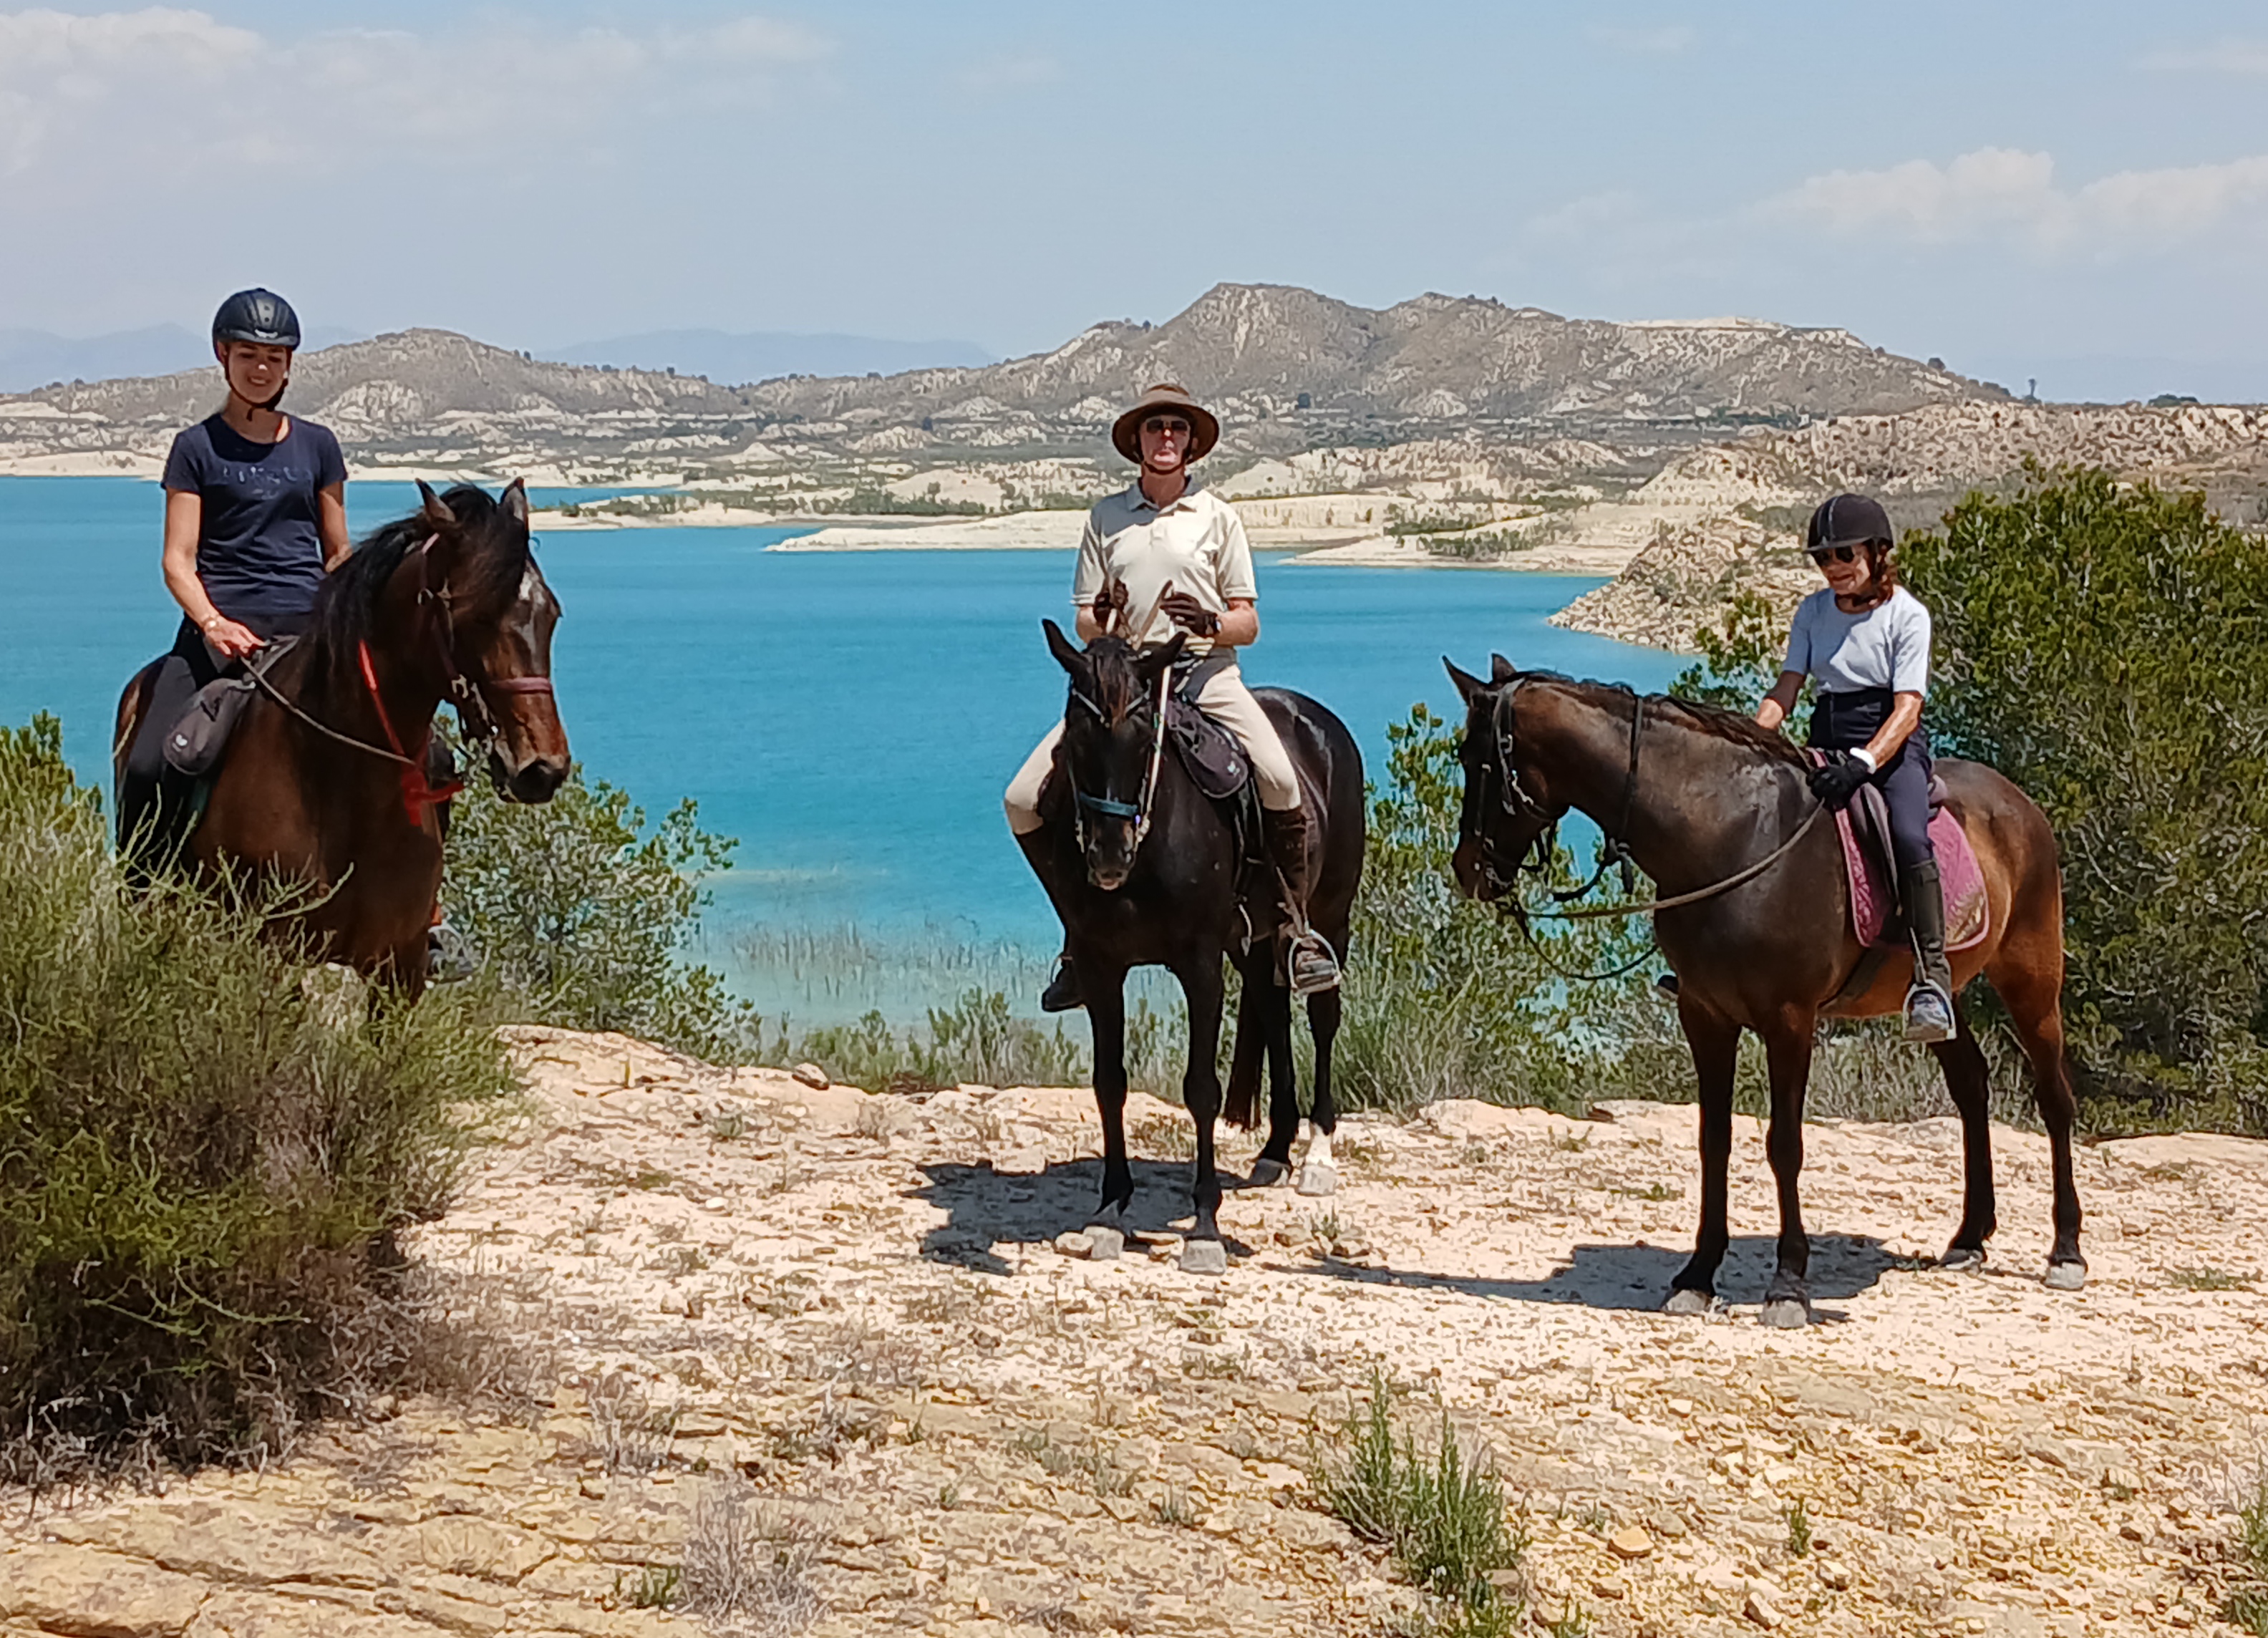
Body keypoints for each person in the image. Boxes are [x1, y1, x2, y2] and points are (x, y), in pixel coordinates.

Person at [1004, 383, 1341, 1004]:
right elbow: (1084, 620)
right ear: (1138, 439)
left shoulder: (1218, 518)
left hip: (1204, 673)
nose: (1166, 437)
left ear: (1190, 444)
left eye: (1177, 429)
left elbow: (1249, 622)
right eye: (1156, 426)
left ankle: (1294, 932)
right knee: (1022, 798)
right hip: (1126, 683)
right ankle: (1078, 936)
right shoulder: (1106, 517)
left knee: (1281, 780)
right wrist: (1101, 619)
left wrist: (1208, 623)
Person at [117, 288, 350, 861]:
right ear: (224, 356)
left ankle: (430, 917)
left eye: (274, 357)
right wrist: (213, 624)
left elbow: (338, 552)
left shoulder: (320, 446)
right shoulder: (195, 448)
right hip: (219, 635)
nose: (261, 368)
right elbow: (178, 560)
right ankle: (144, 893)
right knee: (150, 763)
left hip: (308, 628)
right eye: (248, 355)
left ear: (290, 365)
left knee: (426, 756)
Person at [1755, 493, 1954, 1042]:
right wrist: (1750, 737)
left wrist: (1865, 763)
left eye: (1845, 554)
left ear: (1876, 551)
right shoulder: (1812, 613)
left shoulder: (1908, 616)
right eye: (1824, 559)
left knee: (1909, 834)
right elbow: (1788, 688)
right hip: (1826, 735)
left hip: (1890, 744)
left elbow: (1908, 707)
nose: (1835, 568)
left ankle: (1931, 976)